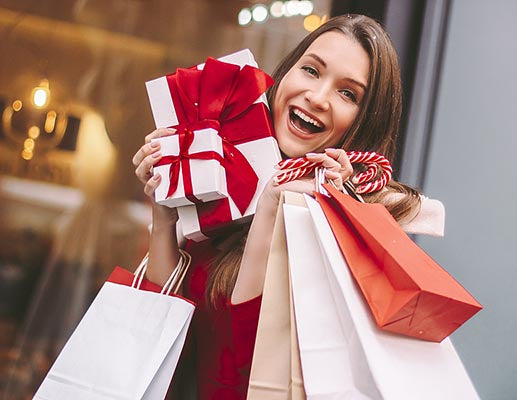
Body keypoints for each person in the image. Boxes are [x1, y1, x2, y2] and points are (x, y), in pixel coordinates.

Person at [132, 14, 443, 400]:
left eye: (348, 94)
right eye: (311, 71)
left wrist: (272, 208)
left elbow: (235, 371)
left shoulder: (342, 229)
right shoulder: (223, 179)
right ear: (284, 74)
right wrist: (164, 215)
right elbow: (156, 332)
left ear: (366, 122)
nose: (317, 96)